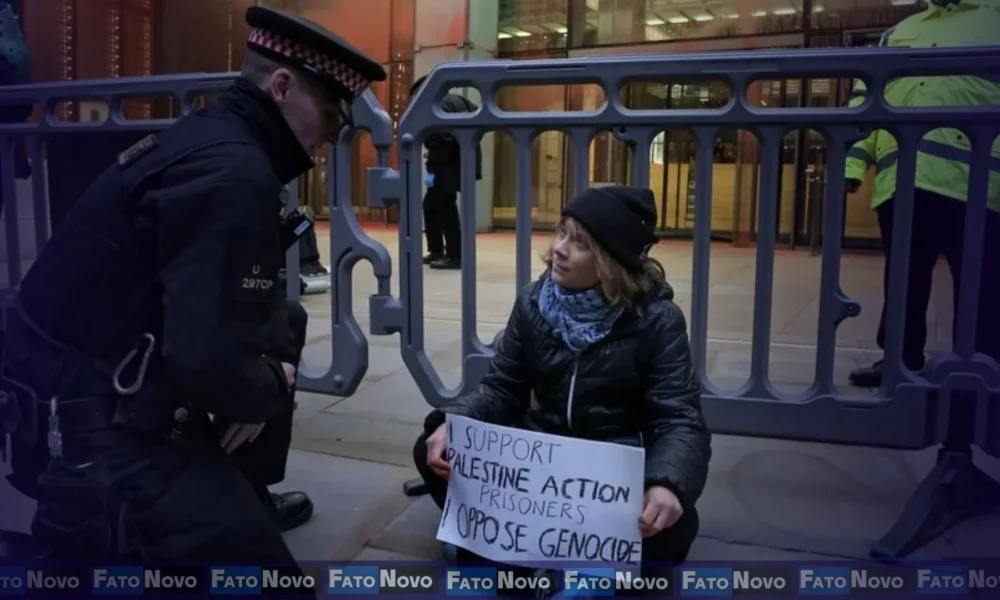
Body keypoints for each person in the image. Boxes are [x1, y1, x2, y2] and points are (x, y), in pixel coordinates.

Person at [0, 6, 385, 563]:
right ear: (281, 87)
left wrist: (259, 377)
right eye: (329, 112)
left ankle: (236, 492)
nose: (333, 132)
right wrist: (264, 388)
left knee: (284, 325)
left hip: (101, 376)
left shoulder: (217, 142)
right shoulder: (233, 173)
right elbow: (204, 359)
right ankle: (73, 541)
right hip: (88, 418)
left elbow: (243, 302)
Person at [413, 186, 712, 592]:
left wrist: (667, 484)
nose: (559, 249)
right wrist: (456, 422)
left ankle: (520, 559)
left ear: (612, 261)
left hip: (609, 481)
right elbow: (502, 388)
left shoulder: (658, 321)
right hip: (538, 475)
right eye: (561, 232)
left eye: (581, 243)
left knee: (676, 524)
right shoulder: (534, 302)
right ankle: (532, 557)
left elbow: (679, 420)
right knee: (433, 447)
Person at [845, 0, 1000, 388]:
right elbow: (866, 100)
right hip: (902, 179)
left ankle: (980, 371)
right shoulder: (897, 33)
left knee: (980, 286)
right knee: (902, 280)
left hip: (974, 181)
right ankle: (899, 362)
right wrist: (853, 162)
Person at [410, 75, 482, 270]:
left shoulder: (435, 104)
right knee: (433, 204)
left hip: (446, 165)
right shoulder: (457, 100)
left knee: (443, 206)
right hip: (462, 161)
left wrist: (432, 160)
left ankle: (454, 255)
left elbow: (441, 140)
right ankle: (437, 251)